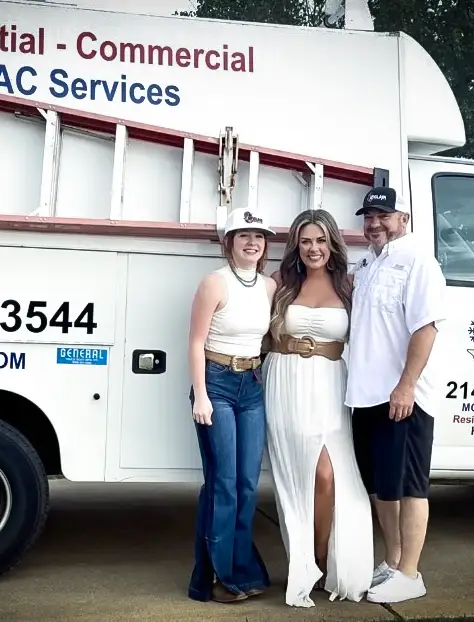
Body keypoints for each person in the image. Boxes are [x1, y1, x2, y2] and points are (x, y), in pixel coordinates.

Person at [261, 209, 376, 607]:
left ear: (332, 245)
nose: (314, 248)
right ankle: (306, 562)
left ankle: (322, 558)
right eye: (306, 241)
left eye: (321, 240)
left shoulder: (348, 286)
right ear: (296, 245)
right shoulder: (280, 284)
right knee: (299, 476)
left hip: (331, 385)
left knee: (328, 474)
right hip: (286, 382)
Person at [345, 187, 447, 604]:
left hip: (403, 398)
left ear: (403, 218)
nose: (374, 223)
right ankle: (392, 562)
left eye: (383, 215)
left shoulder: (419, 263)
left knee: (409, 487)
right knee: (380, 487)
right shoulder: (368, 264)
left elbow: (427, 327)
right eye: (369, 216)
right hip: (365, 395)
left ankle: (411, 572)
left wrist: (405, 385)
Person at [186, 206, 277, 603]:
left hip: (252, 386)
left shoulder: (269, 287)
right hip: (217, 385)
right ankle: (220, 578)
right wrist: (201, 395)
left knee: (246, 485)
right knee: (223, 484)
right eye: (244, 236)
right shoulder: (214, 283)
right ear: (229, 243)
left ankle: (241, 570)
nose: (252, 243)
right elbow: (195, 342)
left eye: (258, 237)